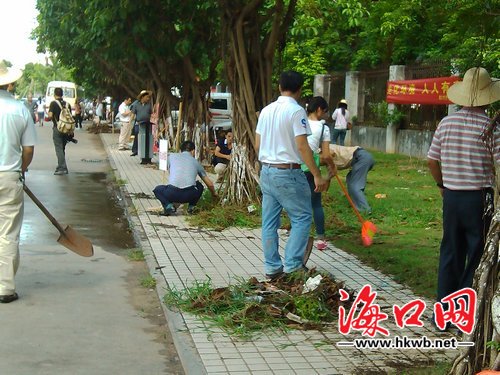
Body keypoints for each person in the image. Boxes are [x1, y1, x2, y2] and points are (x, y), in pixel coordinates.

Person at [427, 67, 500, 316]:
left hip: (452, 196)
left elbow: (432, 161)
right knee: (478, 252)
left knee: (450, 250)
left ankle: (443, 311)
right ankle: (463, 309)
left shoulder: (446, 123)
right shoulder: (490, 128)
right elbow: (499, 166)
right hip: (479, 199)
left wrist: (442, 184)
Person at [255, 71, 328, 279]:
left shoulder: (266, 111)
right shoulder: (297, 112)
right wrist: (316, 174)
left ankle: (272, 268)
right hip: (287, 172)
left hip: (267, 171)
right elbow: (303, 147)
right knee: (302, 217)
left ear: (279, 87)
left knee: (269, 222)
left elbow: (258, 144)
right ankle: (293, 266)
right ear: (300, 89)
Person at [0, 64, 37, 303]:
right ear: (10, 84)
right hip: (9, 176)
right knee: (7, 233)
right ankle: (4, 288)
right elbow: (28, 149)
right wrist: (21, 170)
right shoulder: (19, 109)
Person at [304, 97, 337, 250]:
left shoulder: (299, 122)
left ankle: (300, 237)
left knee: (298, 204)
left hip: (293, 167)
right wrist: (332, 167)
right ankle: (321, 239)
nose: (325, 115)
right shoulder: (324, 128)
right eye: (324, 112)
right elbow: (326, 155)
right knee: (316, 203)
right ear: (318, 109)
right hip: (311, 169)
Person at [153, 140, 217, 216]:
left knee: (157, 189)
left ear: (180, 150)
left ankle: (168, 206)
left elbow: (162, 163)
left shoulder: (172, 156)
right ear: (193, 151)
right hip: (189, 195)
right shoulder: (196, 162)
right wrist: (214, 194)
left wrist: (163, 154)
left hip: (171, 193)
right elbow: (209, 184)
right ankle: (191, 207)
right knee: (199, 186)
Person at [329, 144, 375, 214]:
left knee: (355, 185)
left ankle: (365, 209)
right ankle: (355, 202)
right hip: (362, 157)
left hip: (361, 157)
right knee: (350, 179)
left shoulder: (321, 149)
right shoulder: (323, 147)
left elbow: (330, 153)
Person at [48, 87, 73, 175]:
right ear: (62, 94)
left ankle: (62, 168)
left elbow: (50, 115)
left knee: (58, 148)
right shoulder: (67, 104)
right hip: (66, 129)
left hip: (58, 128)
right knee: (62, 148)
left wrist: (49, 116)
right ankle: (61, 165)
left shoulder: (53, 103)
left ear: (54, 95)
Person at [130, 90, 153, 164]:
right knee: (139, 139)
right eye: (147, 97)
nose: (148, 99)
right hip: (139, 124)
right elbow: (133, 115)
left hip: (148, 125)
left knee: (148, 140)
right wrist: (130, 124)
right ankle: (140, 155)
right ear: (142, 97)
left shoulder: (149, 105)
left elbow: (151, 114)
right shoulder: (136, 105)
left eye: (149, 97)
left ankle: (148, 157)